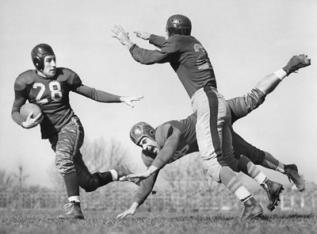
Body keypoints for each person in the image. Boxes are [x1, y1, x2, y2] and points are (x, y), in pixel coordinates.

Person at [112, 14, 310, 220]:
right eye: (140, 145)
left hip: (206, 107)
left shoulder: (163, 132)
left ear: (151, 132)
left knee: (212, 166)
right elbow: (149, 178)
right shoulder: (191, 42)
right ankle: (271, 182)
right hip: (214, 103)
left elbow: (148, 57)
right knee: (234, 157)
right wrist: (134, 205)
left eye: (144, 141)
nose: (145, 147)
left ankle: (250, 204)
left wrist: (129, 43)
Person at [11, 43, 143, 219]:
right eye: (48, 61)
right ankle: (120, 172)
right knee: (88, 183)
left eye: (54, 60)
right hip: (54, 136)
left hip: (70, 126)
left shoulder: (65, 76)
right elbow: (15, 110)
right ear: (37, 63)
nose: (53, 64)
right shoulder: (24, 82)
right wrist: (23, 123)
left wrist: (121, 98)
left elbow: (93, 93)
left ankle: (74, 208)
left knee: (63, 158)